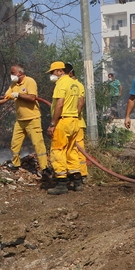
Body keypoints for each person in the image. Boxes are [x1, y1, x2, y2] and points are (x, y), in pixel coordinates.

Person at [0, 63, 50, 175]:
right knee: (15, 143)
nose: (11, 75)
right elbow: (5, 98)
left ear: (20, 73)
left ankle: (44, 168)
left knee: (38, 144)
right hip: (20, 120)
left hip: (33, 119)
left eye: (13, 73)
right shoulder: (13, 84)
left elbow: (32, 97)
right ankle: (16, 164)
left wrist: (18, 95)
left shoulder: (30, 81)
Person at [46, 61, 84, 195]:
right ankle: (77, 181)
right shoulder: (75, 83)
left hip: (63, 122)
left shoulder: (61, 83)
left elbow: (60, 104)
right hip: (74, 121)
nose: (52, 75)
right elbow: (80, 103)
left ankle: (61, 183)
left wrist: (52, 123)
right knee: (71, 150)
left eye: (52, 72)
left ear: (60, 71)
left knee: (58, 151)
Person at [66, 64, 89, 183]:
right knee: (70, 148)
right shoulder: (70, 84)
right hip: (71, 122)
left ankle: (82, 173)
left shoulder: (77, 85)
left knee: (78, 149)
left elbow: (81, 103)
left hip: (76, 123)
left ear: (70, 73)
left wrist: (74, 116)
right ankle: (74, 172)